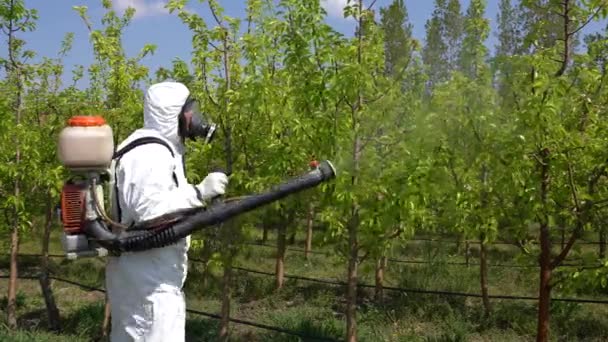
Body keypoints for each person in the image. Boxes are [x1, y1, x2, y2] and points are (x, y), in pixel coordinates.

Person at [105, 81, 228, 341]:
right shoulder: (150, 152)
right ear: (175, 114)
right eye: (191, 111)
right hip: (149, 283)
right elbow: (148, 211)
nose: (196, 118)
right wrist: (198, 193)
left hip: (149, 278)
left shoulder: (157, 148)